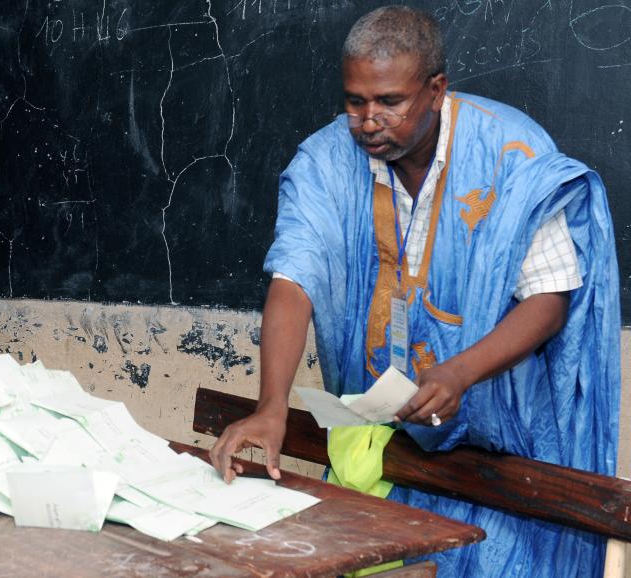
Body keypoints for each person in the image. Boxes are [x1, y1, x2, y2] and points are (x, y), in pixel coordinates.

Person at [209, 6, 619, 577]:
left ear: (435, 90)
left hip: (497, 442)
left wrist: (459, 374)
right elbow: (293, 279)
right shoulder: (326, 161)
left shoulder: (514, 154)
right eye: (355, 101)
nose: (369, 120)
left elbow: (550, 298)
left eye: (390, 102)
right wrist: (272, 405)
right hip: (387, 442)